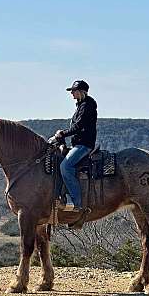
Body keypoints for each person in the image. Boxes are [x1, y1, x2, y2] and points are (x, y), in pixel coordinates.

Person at [49, 80, 98, 212]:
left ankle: (76, 202)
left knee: (65, 166)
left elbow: (78, 126)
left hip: (84, 145)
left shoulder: (87, 105)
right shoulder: (81, 105)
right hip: (79, 143)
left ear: (81, 91)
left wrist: (61, 134)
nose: (71, 93)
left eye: (73, 90)